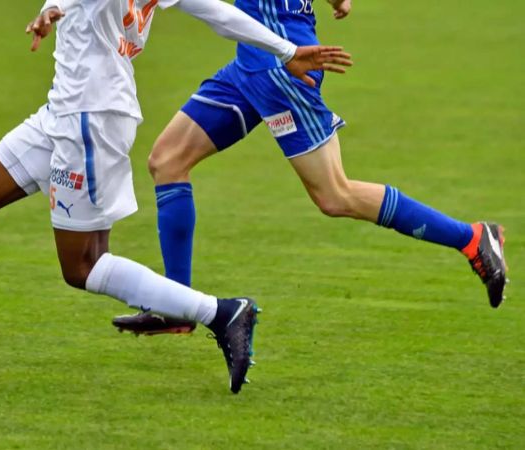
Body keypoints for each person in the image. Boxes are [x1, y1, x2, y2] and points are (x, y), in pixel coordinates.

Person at [0, 0, 352, 394]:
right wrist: (286, 48)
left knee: (83, 267)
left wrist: (53, 7)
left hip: (92, 120)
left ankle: (222, 313)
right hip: (63, 111)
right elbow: (213, 10)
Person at [112, 0, 507, 336]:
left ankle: (472, 238)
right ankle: (179, 304)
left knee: (335, 195)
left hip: (282, 70)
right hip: (251, 63)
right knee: (167, 160)